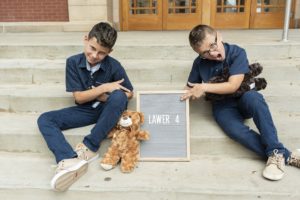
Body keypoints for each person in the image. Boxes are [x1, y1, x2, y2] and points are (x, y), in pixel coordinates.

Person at [181, 24, 300, 181]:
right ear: (199, 54)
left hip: (243, 97)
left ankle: (276, 152)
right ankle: (282, 154)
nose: (213, 53)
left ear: (219, 35)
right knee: (234, 130)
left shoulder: (237, 52)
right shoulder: (199, 63)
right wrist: (175, 100)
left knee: (255, 98)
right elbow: (188, 88)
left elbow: (233, 85)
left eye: (213, 45)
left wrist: (203, 87)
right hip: (222, 106)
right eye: (205, 53)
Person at [37, 22, 133, 191]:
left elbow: (128, 94)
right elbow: (79, 98)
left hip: (108, 110)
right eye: (92, 48)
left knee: (118, 96)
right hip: (85, 110)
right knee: (45, 119)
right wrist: (104, 88)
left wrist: (108, 97)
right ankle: (68, 159)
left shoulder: (114, 65)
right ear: (86, 39)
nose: (95, 55)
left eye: (102, 53)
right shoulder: (73, 62)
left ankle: (90, 147)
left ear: (109, 52)